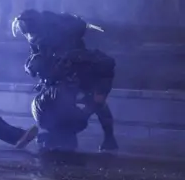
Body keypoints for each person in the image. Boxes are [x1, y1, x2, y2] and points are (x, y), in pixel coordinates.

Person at [12, 9, 118, 151]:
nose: (27, 33)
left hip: (78, 75)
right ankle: (60, 135)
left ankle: (108, 138)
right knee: (56, 105)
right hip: (62, 81)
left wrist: (99, 94)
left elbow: (104, 65)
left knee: (93, 103)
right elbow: (37, 59)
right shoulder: (40, 40)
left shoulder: (66, 43)